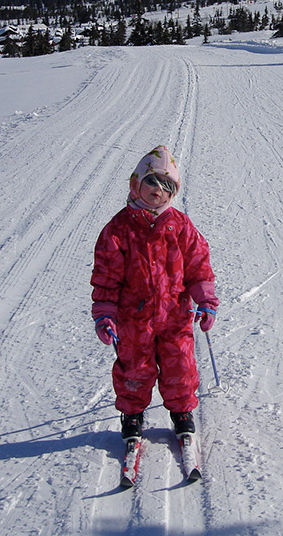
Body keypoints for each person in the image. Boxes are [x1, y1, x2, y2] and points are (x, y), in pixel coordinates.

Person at [90, 144, 218, 440]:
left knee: (180, 367)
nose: (157, 190)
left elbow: (198, 265)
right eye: (152, 181)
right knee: (134, 368)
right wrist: (105, 314)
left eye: (167, 186)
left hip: (175, 314)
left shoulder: (180, 225)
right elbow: (106, 276)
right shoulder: (118, 228)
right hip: (133, 318)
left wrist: (206, 300)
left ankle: (181, 411)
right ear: (136, 183)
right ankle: (132, 414)